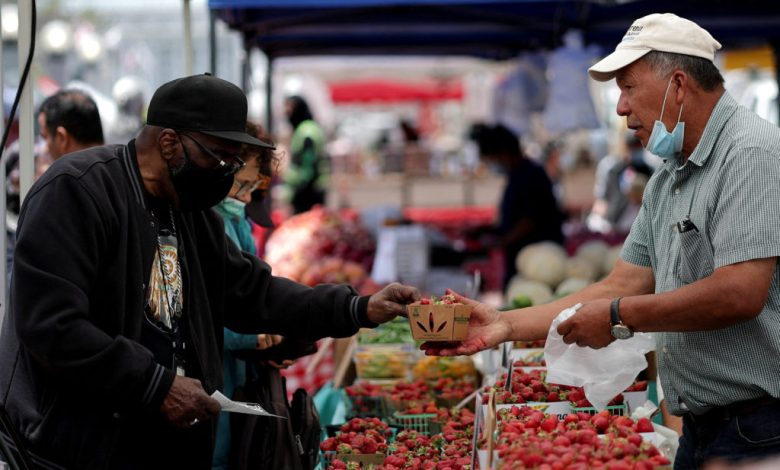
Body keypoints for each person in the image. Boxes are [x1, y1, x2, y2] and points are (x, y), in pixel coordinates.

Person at [0, 73, 419, 470]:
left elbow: (252, 291)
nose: (227, 173)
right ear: (169, 143)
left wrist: (357, 308)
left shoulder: (187, 209)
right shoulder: (77, 190)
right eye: (220, 157)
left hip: (159, 442)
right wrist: (155, 384)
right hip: (76, 448)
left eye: (234, 162)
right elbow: (53, 327)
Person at [425, 13, 780, 470]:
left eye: (628, 87)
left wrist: (617, 317)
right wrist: (505, 325)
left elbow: (739, 292)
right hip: (704, 425)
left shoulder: (751, 154)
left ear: (677, 84)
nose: (620, 108)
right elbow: (621, 284)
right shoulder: (668, 178)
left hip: (758, 428)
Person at [210, 122, 292, 470]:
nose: (245, 197)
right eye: (242, 185)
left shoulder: (236, 219)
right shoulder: (205, 224)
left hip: (237, 375)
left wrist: (269, 337)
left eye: (253, 186)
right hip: (213, 378)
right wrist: (254, 338)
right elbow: (204, 313)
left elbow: (254, 289)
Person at [469, 123, 565, 291]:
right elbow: (515, 217)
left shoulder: (531, 174)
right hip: (520, 257)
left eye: (491, 158)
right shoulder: (517, 174)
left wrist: (502, 241)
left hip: (537, 258)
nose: (491, 164)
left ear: (502, 153)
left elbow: (530, 219)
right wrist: (487, 230)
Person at [282, 95, 329, 214]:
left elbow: (308, 163)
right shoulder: (308, 128)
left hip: (308, 192)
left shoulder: (306, 131)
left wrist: (299, 189)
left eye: (289, 109)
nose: (286, 113)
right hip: (310, 189)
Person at [37, 88, 105, 159]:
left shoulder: (65, 169)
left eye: (45, 137)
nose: (45, 149)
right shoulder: (115, 164)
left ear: (62, 138)